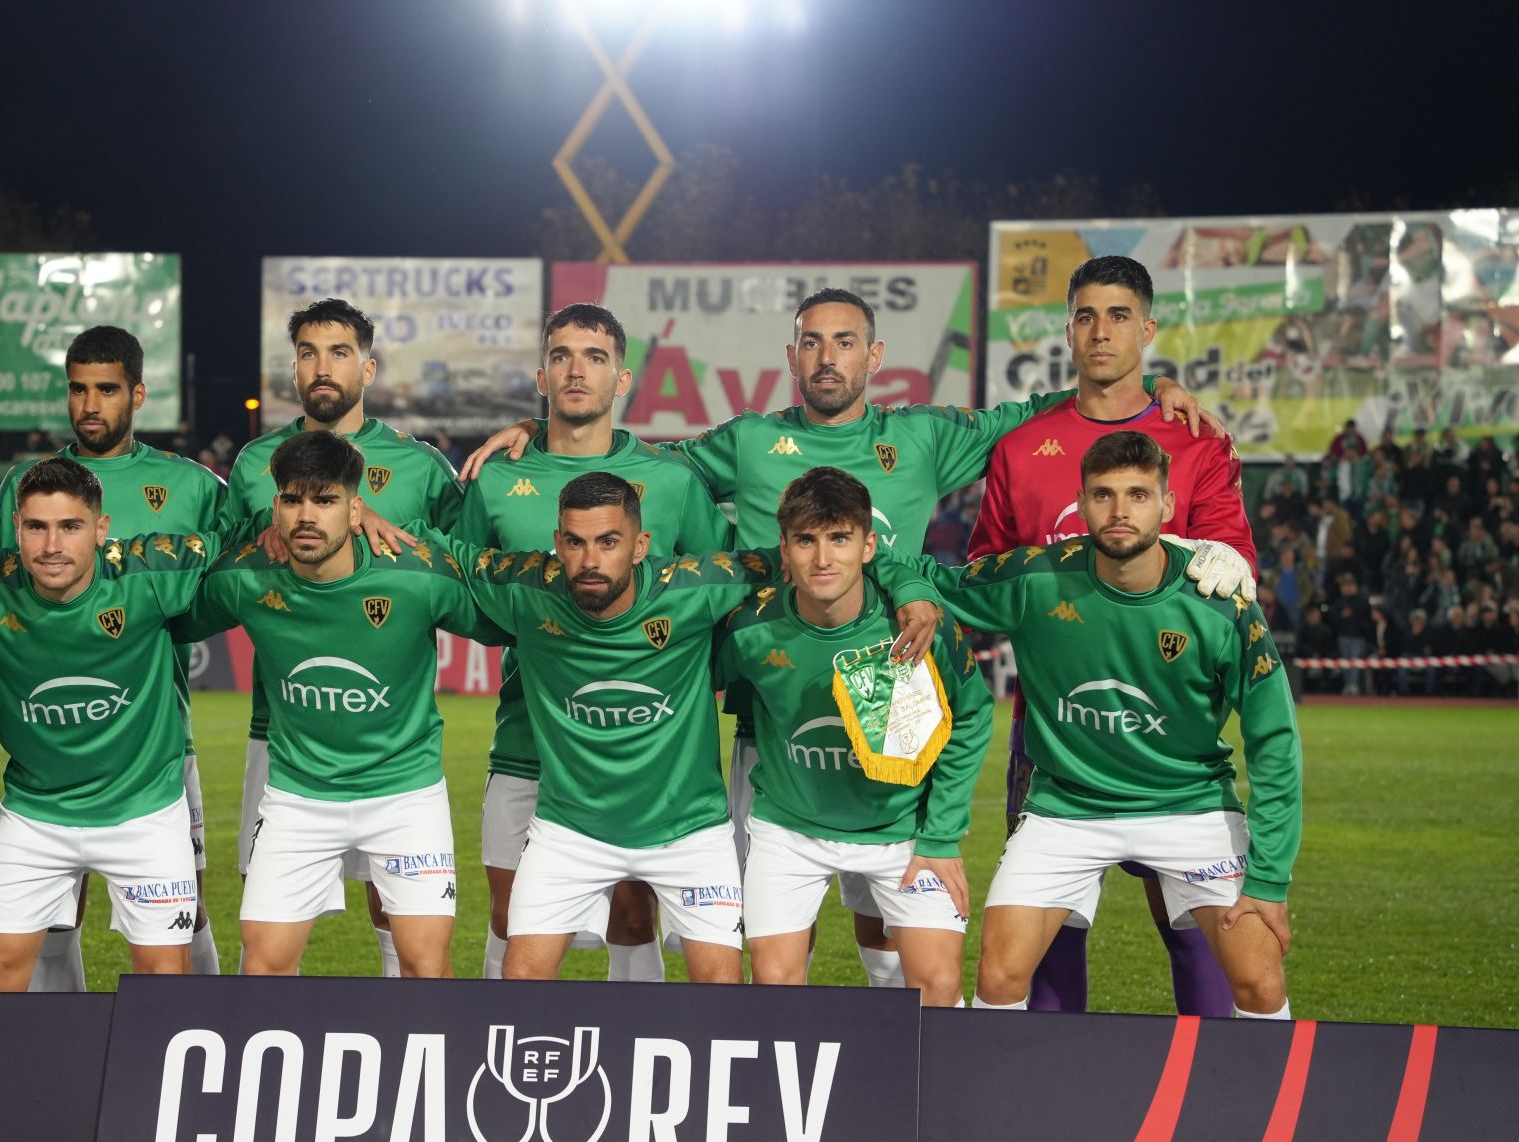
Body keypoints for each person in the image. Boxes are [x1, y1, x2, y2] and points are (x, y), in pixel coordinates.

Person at [461, 287, 1210, 993]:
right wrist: (541, 429)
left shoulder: (920, 436)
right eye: (812, 343)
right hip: (772, 712)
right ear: (792, 358)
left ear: (874, 356)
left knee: (887, 919)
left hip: (891, 686)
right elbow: (623, 467)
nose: (828, 357)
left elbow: (1038, 414)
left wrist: (1147, 394)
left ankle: (895, 1049)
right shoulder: (750, 440)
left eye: (845, 342)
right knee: (776, 929)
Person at [474, 471, 939, 984]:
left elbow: (817, 557)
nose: (590, 560)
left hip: (691, 833)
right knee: (520, 984)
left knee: (723, 994)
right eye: (575, 542)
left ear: (640, 545)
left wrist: (909, 583)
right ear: (557, 543)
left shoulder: (698, 585)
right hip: (569, 831)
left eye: (608, 542)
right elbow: (444, 557)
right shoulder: (525, 588)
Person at [916, 431, 1301, 1019]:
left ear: (1167, 506)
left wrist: (1269, 881)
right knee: (999, 974)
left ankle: (1263, 1082)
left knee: (1260, 982)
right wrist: (902, 585)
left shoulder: (1221, 601)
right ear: (1081, 504)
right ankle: (1005, 1082)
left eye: (1138, 495)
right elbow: (930, 578)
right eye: (1103, 495)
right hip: (1067, 807)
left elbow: (1275, 742)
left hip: (1190, 805)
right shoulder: (1036, 577)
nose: (1120, 511)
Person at [967, 255, 1259, 1017]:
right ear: (1067, 329)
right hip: (1054, 733)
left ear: (1148, 328)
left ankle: (1212, 1080)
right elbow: (985, 575)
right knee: (1048, 928)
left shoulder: (1196, 441)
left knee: (1195, 928)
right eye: (1086, 316)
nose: (1101, 332)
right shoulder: (1021, 446)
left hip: (1174, 736)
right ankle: (1055, 1084)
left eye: (1119, 316)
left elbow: (1234, 571)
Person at [454, 304, 733, 984]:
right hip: (528, 732)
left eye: (595, 356)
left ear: (622, 379)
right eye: (561, 356)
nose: (577, 370)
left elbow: (718, 597)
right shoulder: (496, 478)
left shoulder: (671, 479)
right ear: (542, 376)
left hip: (641, 750)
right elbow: (469, 593)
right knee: (509, 918)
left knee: (633, 915)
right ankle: (504, 1043)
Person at [184, 431, 496, 977]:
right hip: (299, 797)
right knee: (262, 967)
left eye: (324, 500)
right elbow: (154, 620)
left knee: (426, 967)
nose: (306, 516)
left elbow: (513, 620)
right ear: (274, 509)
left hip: (405, 794)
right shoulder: (244, 578)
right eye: (292, 500)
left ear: (356, 511)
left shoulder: (416, 575)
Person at [217, 298, 465, 977]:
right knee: (270, 921)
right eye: (307, 353)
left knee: (397, 912)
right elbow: (225, 564)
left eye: (339, 352)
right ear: (293, 367)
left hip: (391, 741)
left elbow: (463, 567)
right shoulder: (255, 463)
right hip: (285, 735)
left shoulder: (420, 467)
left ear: (368, 368)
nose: (322, 367)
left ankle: (401, 1030)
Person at [0, 325, 229, 990]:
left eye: (107, 390)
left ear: (137, 395)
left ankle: (194, 1034)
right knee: (52, 918)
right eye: (79, 389)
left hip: (156, 738)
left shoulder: (191, 486)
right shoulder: (28, 486)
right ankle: (60, 1042)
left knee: (185, 911)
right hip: (54, 738)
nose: (90, 405)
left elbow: (256, 546)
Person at [0, 457, 213, 988]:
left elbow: (255, 546)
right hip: (36, 815)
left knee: (165, 974)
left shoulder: (148, 572)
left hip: (144, 812)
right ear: (16, 528)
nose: (52, 545)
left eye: (70, 526)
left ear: (101, 529)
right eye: (36, 527)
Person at [718, 467, 991, 1003]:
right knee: (772, 990)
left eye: (839, 538)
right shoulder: (750, 629)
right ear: (784, 548)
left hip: (901, 829)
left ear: (869, 547)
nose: (823, 558)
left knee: (938, 987)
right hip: (789, 830)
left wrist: (940, 837)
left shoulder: (917, 625)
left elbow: (973, 715)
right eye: (806, 540)